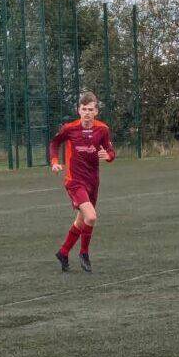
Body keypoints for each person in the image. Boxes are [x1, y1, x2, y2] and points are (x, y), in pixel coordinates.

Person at [48, 91, 115, 273]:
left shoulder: (102, 129)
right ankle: (84, 253)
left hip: (93, 181)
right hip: (74, 180)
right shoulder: (70, 128)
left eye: (90, 109)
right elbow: (54, 144)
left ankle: (63, 252)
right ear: (79, 110)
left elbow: (110, 151)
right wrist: (54, 162)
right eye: (83, 109)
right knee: (91, 217)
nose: (86, 112)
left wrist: (108, 155)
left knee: (81, 220)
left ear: (96, 111)